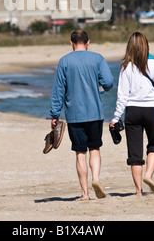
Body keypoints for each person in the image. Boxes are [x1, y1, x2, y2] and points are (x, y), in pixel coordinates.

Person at [110, 31, 154, 196]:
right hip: (152, 110)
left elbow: (122, 96)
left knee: (134, 153)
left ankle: (138, 191)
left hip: (132, 111)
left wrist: (116, 117)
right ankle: (148, 175)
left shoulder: (125, 67)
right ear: (146, 46)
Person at [50, 29, 114, 200]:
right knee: (95, 148)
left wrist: (54, 114)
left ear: (71, 43)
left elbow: (58, 91)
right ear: (88, 42)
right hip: (95, 113)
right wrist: (98, 87)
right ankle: (97, 179)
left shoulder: (64, 61)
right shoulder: (97, 58)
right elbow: (108, 82)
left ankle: (85, 193)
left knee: (80, 153)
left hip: (74, 115)